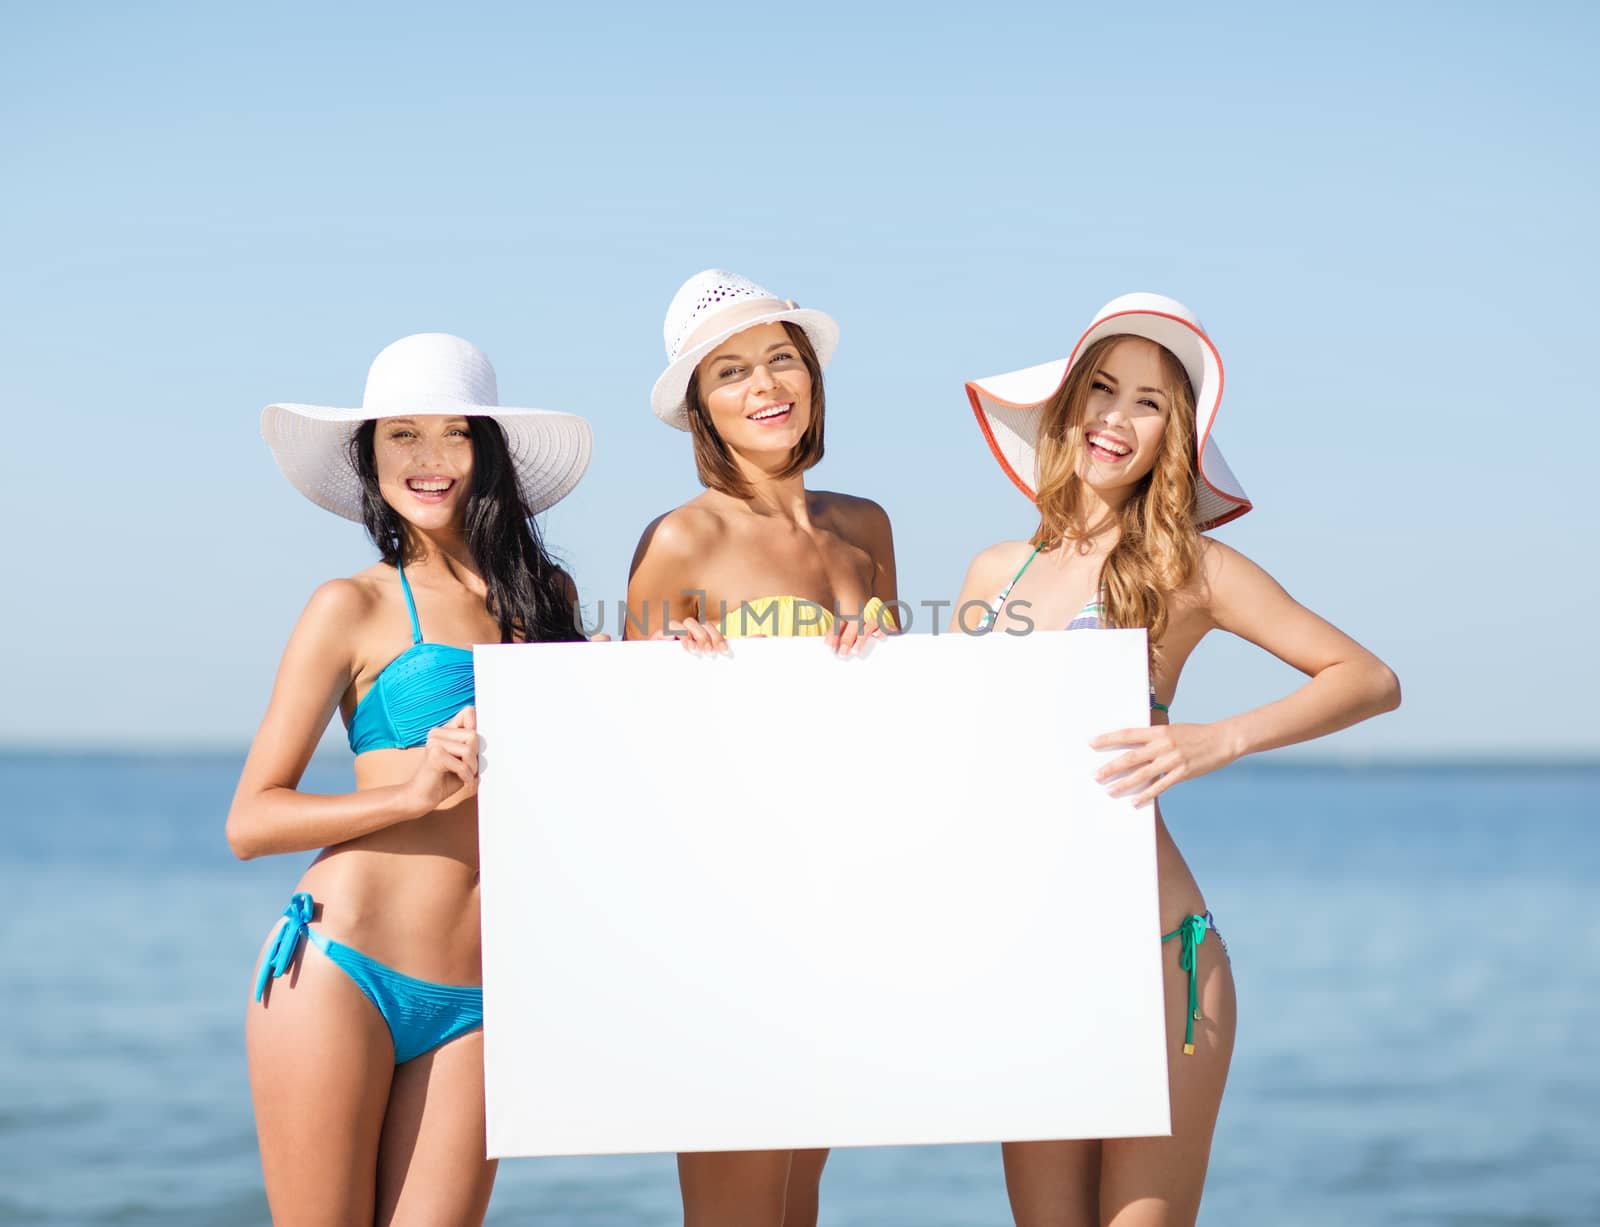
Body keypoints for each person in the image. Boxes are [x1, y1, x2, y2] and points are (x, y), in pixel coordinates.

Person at [954, 293, 1401, 1227]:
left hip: (1160, 955)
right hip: (1029, 955)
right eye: (1103, 389)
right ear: (1069, 405)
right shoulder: (997, 573)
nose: (1117, 418)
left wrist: (1214, 739)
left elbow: (1366, 676)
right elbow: (949, 754)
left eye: (1149, 402)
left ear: (1175, 435)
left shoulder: (1189, 568)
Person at [229, 332, 592, 1226]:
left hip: (477, 996)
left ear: (487, 452)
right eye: (401, 436)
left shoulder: (549, 601)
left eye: (452, 435)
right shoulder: (349, 605)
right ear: (370, 457)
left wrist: (666, 661)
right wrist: (409, 793)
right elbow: (250, 818)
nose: (427, 460)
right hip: (340, 970)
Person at [625, 269, 899, 1226]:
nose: (766, 385)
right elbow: (626, 758)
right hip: (727, 911)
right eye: (732, 371)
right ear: (702, 406)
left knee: (799, 1200)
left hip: (839, 898)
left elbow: (898, 725)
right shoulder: (682, 541)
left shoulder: (865, 528)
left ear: (812, 377)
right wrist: (666, 669)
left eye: (782, 359)